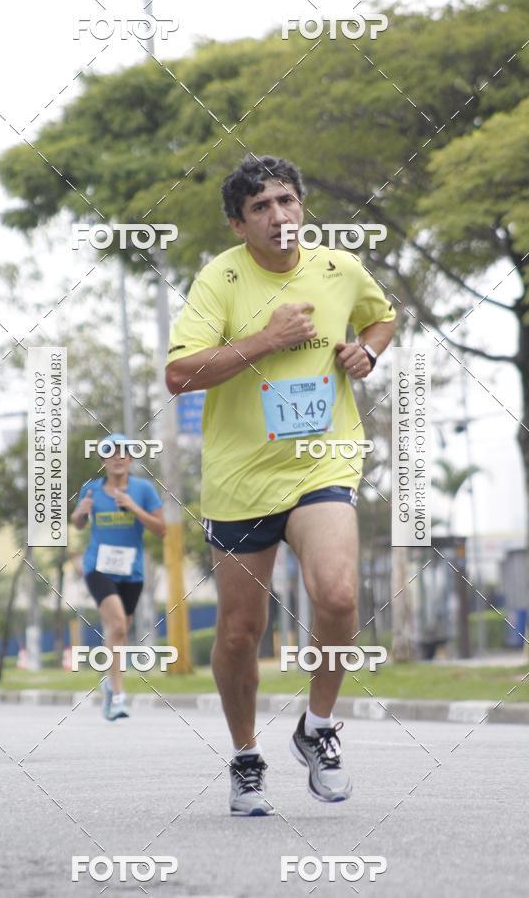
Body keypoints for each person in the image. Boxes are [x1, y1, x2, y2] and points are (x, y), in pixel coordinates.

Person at [165, 155, 396, 815]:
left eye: (287, 201)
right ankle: (245, 757)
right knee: (241, 629)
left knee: (340, 593)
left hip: (322, 463)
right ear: (240, 223)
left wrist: (369, 351)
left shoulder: (338, 269)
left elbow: (383, 316)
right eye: (261, 207)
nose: (279, 216)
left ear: (303, 207)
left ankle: (319, 728)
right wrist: (265, 340)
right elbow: (179, 374)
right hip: (241, 477)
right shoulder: (220, 281)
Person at [71, 433, 166, 720]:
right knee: (118, 627)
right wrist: (81, 514)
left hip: (131, 572)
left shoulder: (144, 490)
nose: (118, 457)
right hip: (98, 567)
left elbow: (162, 530)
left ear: (131, 458)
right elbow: (76, 523)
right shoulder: (92, 489)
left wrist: (134, 508)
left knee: (120, 629)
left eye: (123, 452)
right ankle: (119, 696)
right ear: (103, 461)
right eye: (110, 453)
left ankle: (109, 683)